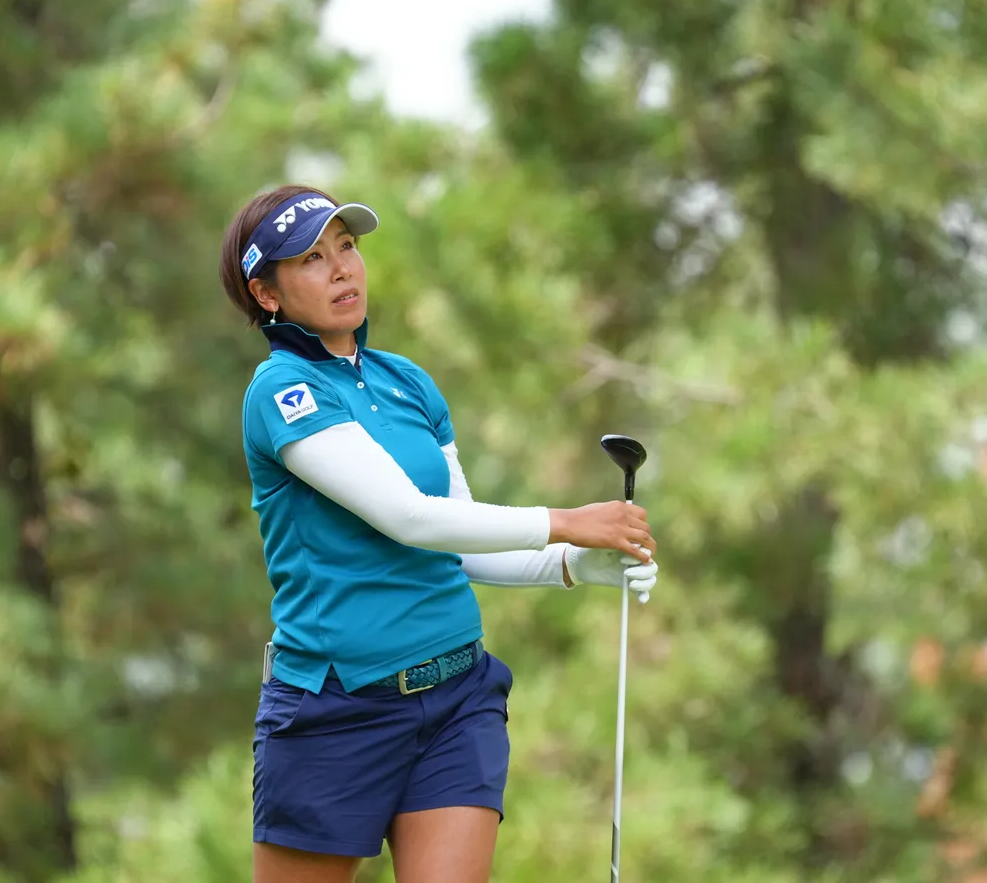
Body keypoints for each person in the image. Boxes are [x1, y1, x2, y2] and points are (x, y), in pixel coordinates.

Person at [218, 184, 661, 883]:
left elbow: (457, 543)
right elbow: (410, 517)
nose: (342, 268)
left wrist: (574, 563)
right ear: (266, 293)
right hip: (335, 709)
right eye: (311, 258)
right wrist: (566, 521)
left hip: (457, 697)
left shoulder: (408, 382)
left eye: (346, 247)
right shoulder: (283, 391)